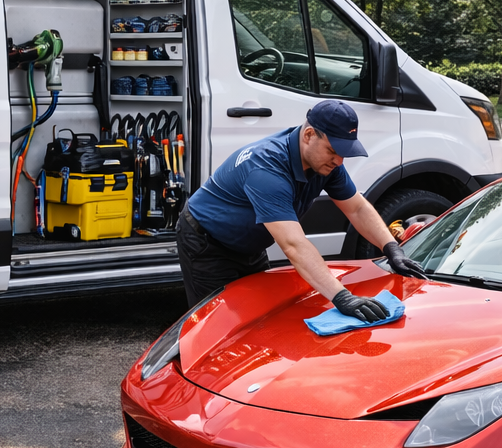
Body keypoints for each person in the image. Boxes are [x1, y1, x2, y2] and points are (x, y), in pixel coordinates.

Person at [175, 100, 428, 319]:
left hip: (248, 244)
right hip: (207, 243)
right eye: (333, 151)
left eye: (344, 152)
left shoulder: (325, 164)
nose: (339, 161)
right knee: (218, 325)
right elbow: (294, 245)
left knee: (258, 314)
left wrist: (392, 249)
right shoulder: (266, 169)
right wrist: (342, 297)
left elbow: (357, 208)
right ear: (308, 135)